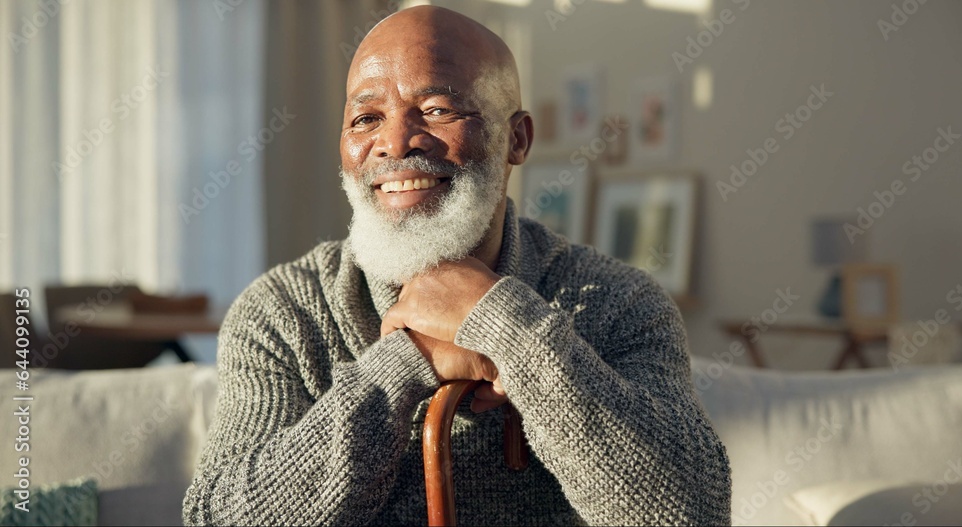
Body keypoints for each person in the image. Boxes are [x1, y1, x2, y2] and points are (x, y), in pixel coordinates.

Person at [182, 5, 731, 525]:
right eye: (366, 118)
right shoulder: (282, 312)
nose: (393, 142)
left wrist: (504, 324)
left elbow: (693, 512)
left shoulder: (618, 302)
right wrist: (406, 359)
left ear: (516, 139)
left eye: (437, 110)